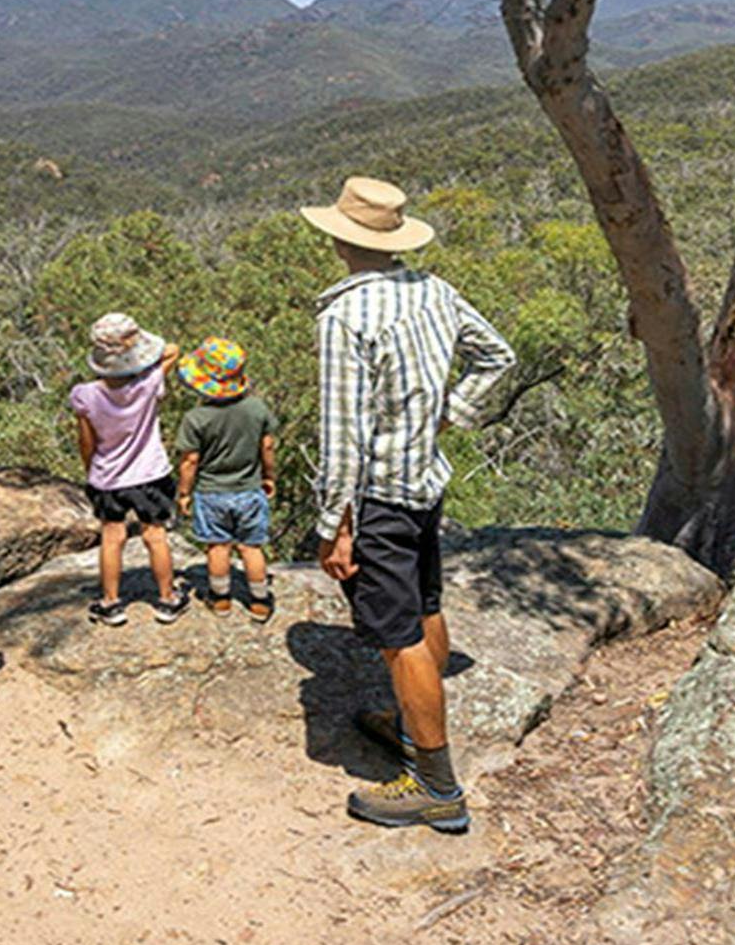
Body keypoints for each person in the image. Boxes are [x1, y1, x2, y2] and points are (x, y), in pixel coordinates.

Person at [303, 177, 515, 832]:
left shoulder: (345, 316)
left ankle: (435, 784)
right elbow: (497, 356)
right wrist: (448, 414)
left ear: (340, 238)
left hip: (378, 499)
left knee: (399, 641)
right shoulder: (435, 290)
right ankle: (409, 720)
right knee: (424, 607)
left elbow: (342, 437)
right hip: (423, 482)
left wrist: (334, 526)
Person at [70, 313, 192, 626]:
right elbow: (172, 350)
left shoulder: (85, 395)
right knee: (155, 535)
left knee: (112, 538)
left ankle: (111, 603)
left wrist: (91, 468)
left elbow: (86, 441)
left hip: (108, 477)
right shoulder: (150, 384)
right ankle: (167, 599)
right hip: (150, 473)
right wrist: (140, 351)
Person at [173, 338, 279, 623]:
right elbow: (267, 447)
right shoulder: (257, 409)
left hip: (210, 493)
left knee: (218, 546)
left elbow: (190, 461)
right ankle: (259, 601)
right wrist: (268, 476)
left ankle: (220, 599)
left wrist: (184, 493)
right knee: (251, 547)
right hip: (249, 490)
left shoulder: (196, 418)